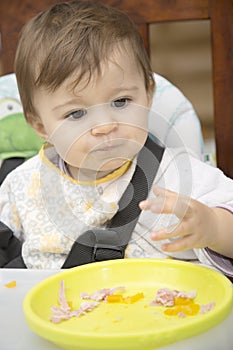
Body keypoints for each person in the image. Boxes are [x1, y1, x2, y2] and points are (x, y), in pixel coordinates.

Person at [0, 0, 233, 275]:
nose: (104, 126)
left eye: (121, 101)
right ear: (40, 126)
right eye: (76, 114)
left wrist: (213, 228)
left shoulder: (178, 174)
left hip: (163, 311)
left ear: (148, 93)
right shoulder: (20, 187)